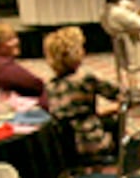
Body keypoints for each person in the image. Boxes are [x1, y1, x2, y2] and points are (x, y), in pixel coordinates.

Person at [41, 26, 121, 161]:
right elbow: (120, 94)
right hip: (92, 141)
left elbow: (71, 113)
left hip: (65, 148)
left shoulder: (50, 85)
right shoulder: (87, 78)